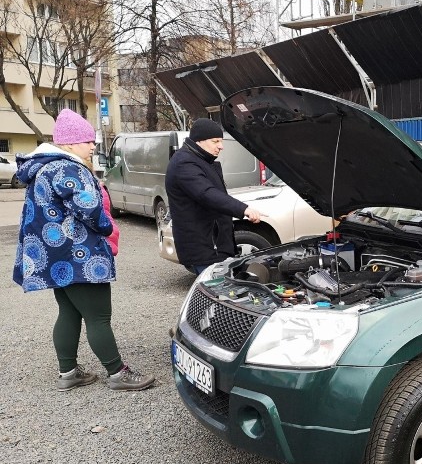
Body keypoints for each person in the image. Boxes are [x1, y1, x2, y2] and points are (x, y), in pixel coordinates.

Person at [13, 109, 155, 392]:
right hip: (80, 256)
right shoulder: (67, 167)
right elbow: (89, 208)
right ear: (69, 143)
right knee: (98, 316)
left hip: (54, 257)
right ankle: (117, 374)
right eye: (87, 141)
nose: (93, 145)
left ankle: (69, 373)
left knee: (68, 312)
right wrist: (106, 228)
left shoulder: (42, 167)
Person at [165, 119, 262, 274]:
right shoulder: (184, 163)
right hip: (205, 248)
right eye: (215, 141)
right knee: (217, 294)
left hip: (213, 246)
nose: (221, 146)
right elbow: (206, 193)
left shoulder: (201, 160)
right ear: (199, 141)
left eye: (221, 141)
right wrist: (243, 209)